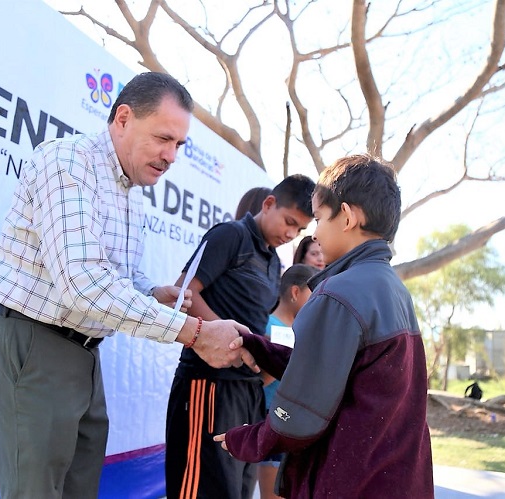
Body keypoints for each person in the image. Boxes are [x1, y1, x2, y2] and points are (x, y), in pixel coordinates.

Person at [0, 72, 256, 499]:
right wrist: (195, 333)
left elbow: (113, 274)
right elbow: (83, 284)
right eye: (163, 138)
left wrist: (152, 293)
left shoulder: (130, 191)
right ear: (124, 118)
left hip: (85, 355)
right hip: (38, 345)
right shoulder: (69, 163)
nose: (171, 156)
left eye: (179, 145)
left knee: (78, 492)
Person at [215, 154, 434, 498]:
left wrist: (248, 439)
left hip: (349, 484)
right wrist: (256, 345)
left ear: (346, 216)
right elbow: (329, 374)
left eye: (318, 219)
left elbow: (301, 415)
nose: (314, 234)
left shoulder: (338, 293)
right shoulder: (394, 290)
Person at [165, 174, 316, 499]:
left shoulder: (274, 262)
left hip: (248, 395)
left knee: (236, 492)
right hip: (209, 385)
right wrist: (231, 337)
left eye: (300, 230)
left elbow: (258, 324)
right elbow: (183, 292)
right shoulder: (230, 235)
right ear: (269, 204)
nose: (291, 234)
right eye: (289, 222)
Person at [258, 263, 318, 499]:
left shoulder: (306, 330)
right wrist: (282, 361)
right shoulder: (266, 326)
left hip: (299, 427)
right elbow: (257, 383)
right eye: (314, 295)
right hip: (273, 422)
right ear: (295, 292)